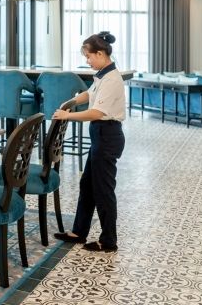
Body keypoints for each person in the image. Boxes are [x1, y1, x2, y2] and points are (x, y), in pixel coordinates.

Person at [53, 31, 126, 252]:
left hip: (107, 135)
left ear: (101, 53)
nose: (87, 60)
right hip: (100, 135)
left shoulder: (112, 79)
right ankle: (79, 232)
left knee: (103, 190)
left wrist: (67, 116)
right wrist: (72, 101)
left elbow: (95, 112)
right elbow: (90, 94)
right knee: (88, 185)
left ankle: (109, 241)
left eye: (89, 56)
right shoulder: (103, 74)